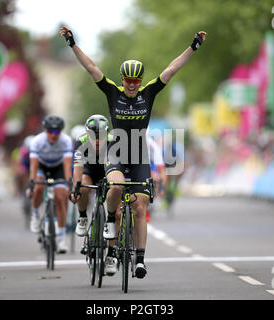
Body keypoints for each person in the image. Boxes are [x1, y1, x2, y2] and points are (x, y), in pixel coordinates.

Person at [60, 26, 206, 278]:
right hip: (116, 150)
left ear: (140, 81)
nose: (131, 85)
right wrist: (73, 44)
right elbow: (92, 68)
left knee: (140, 208)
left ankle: (139, 259)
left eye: (135, 81)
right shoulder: (112, 92)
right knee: (116, 188)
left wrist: (192, 48)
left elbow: (171, 69)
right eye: (127, 80)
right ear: (122, 79)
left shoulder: (148, 92)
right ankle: (108, 223)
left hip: (139, 153)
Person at [69, 114, 118, 275]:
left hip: (108, 171)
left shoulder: (114, 140)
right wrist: (76, 189)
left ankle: (111, 254)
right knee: (82, 184)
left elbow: (121, 170)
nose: (97, 140)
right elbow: (77, 169)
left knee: (115, 213)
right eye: (93, 136)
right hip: (90, 171)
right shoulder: (80, 142)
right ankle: (83, 216)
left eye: (100, 136)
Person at [29, 115, 73, 254]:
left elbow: (67, 166)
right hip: (42, 167)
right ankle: (35, 214)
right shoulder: (37, 141)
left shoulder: (66, 141)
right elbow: (34, 166)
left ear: (60, 131)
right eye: (50, 131)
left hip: (58, 168)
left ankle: (61, 239)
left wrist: (69, 183)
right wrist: (32, 182)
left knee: (60, 197)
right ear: (45, 130)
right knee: (39, 188)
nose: (53, 135)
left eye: (57, 132)